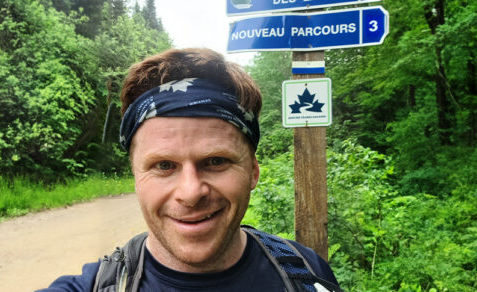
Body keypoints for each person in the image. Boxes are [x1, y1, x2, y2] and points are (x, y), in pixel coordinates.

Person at [39, 48, 341, 292]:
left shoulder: (307, 273)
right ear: (135, 176)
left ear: (253, 172)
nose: (191, 192)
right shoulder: (93, 287)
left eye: (216, 161)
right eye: (164, 165)